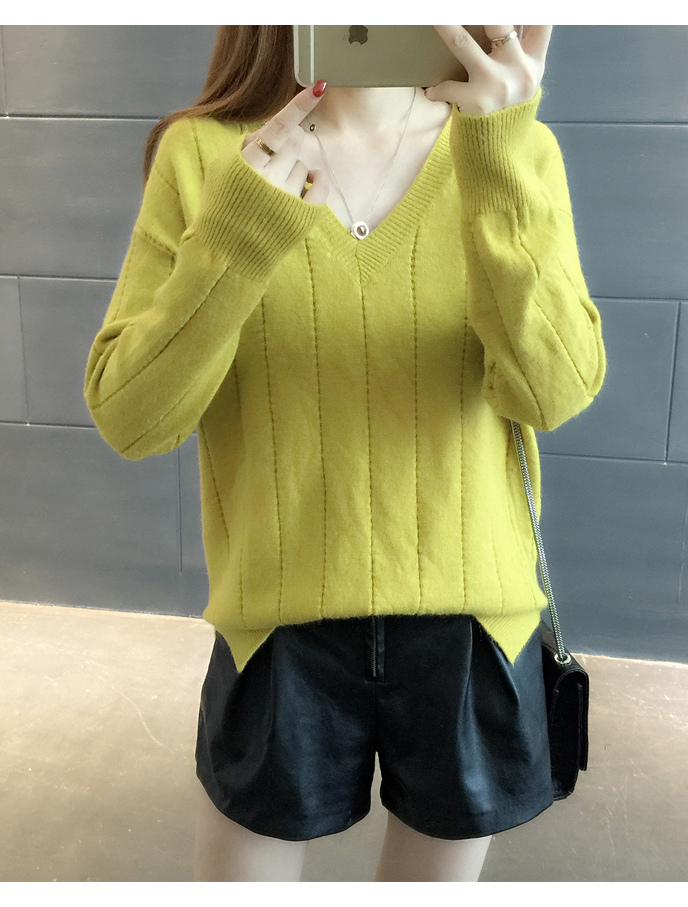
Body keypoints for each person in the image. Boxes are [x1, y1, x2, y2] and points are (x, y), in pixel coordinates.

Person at [84, 25, 606, 881]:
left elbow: (553, 392)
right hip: (277, 627)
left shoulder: (511, 151)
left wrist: (498, 154)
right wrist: (239, 233)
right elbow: (133, 419)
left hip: (472, 626)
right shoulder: (207, 156)